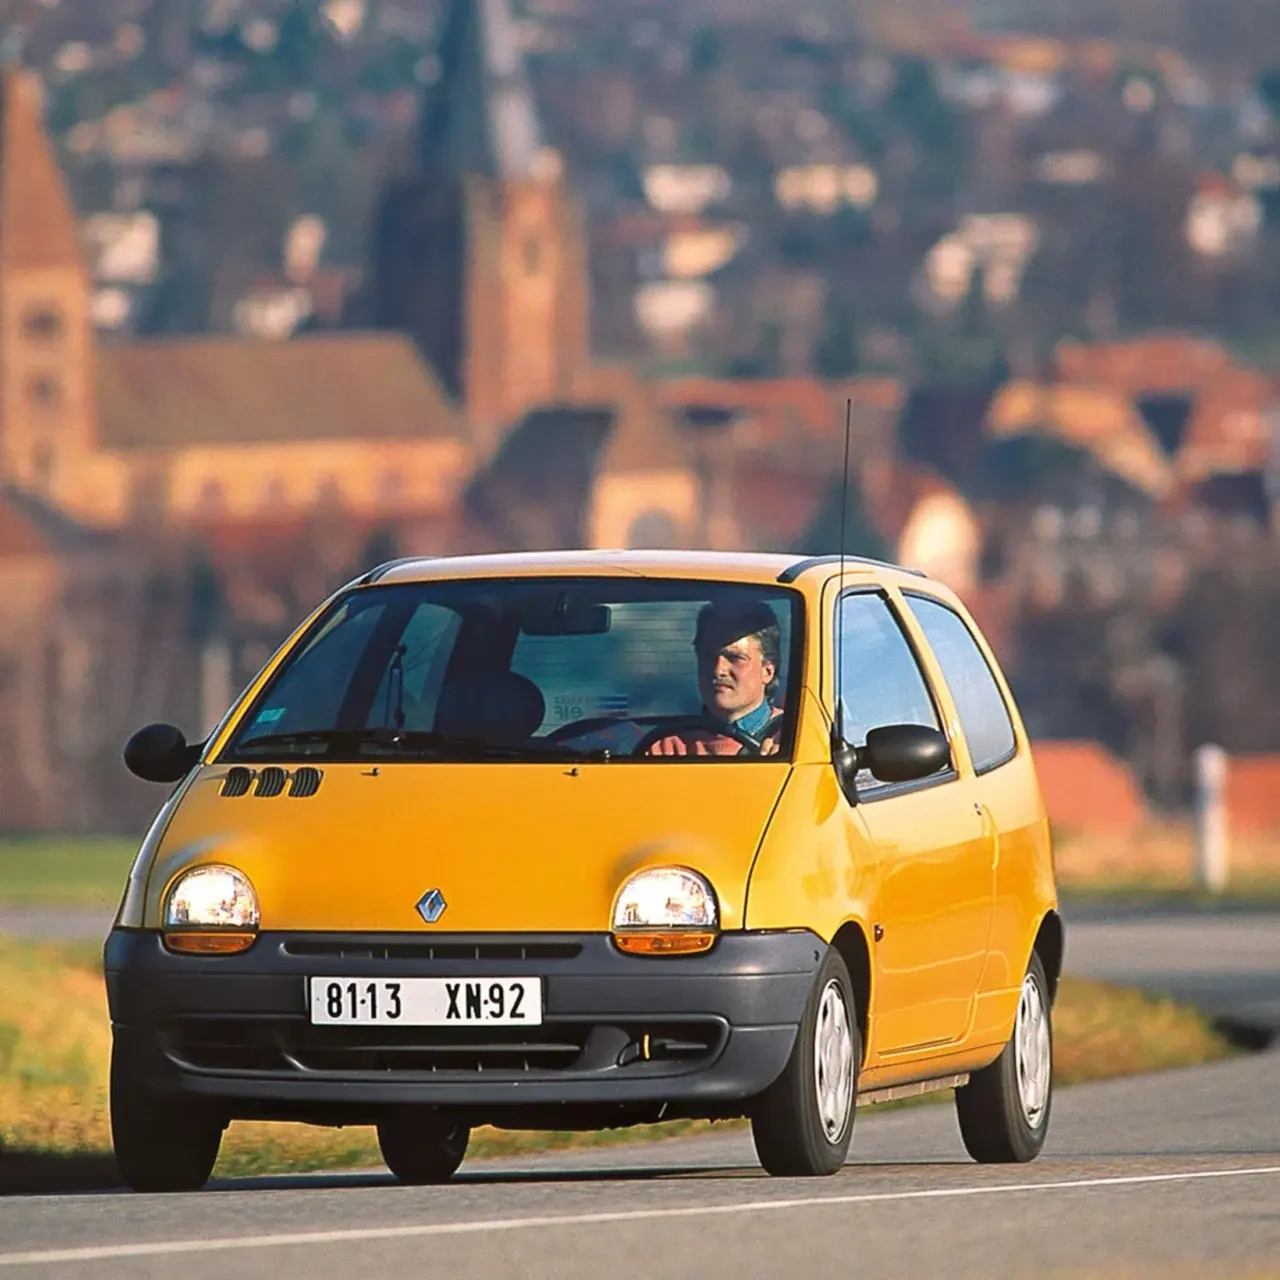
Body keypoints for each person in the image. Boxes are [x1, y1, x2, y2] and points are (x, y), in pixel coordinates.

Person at [646, 599, 785, 757]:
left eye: (734, 657)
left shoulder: (792, 737)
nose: (718, 670)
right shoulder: (665, 749)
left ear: (767, 671)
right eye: (708, 656)